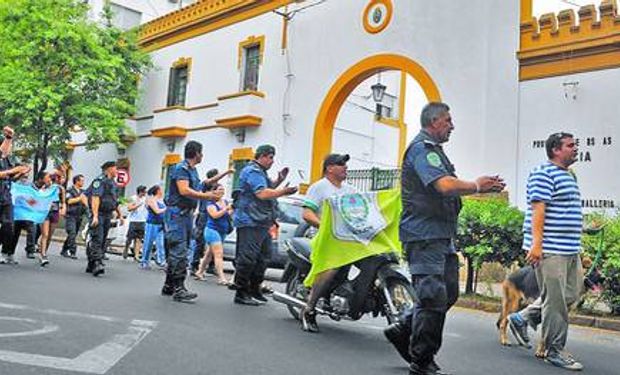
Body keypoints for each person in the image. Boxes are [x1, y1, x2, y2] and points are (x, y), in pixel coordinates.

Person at [384, 102, 505, 375]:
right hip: (424, 234)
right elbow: (444, 185)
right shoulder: (422, 149)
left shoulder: (435, 152)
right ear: (434, 121)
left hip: (441, 234)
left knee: (449, 292)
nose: (452, 125)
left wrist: (482, 189)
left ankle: (404, 328)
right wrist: (475, 185)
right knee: (432, 297)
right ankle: (422, 359)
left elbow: (448, 188)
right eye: (448, 120)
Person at [508, 132, 584, 371]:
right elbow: (538, 209)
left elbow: (565, 209)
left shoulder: (569, 175)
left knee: (571, 293)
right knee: (557, 302)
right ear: (555, 150)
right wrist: (537, 245)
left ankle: (524, 317)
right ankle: (554, 349)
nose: (575, 149)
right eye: (570, 146)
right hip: (551, 249)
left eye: (575, 145)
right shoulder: (543, 173)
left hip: (570, 249)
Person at [299, 153, 357, 332]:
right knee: (331, 266)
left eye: (346, 164)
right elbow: (307, 213)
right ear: (329, 168)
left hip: (348, 239)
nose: (345, 167)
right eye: (341, 164)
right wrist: (325, 226)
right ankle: (309, 309)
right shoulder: (319, 187)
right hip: (324, 238)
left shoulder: (351, 190)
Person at [232, 144, 297, 305]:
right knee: (248, 257)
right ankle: (241, 292)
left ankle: (255, 288)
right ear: (260, 156)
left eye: (273, 157)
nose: (272, 161)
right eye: (270, 157)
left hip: (261, 221)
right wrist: (284, 191)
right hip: (250, 221)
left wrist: (279, 180)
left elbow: (267, 188)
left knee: (263, 257)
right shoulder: (252, 171)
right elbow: (261, 193)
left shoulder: (260, 172)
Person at [161, 141, 222, 302]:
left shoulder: (192, 170)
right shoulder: (181, 168)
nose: (202, 156)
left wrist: (224, 174)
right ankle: (179, 288)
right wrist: (209, 196)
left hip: (186, 215)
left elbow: (203, 184)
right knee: (179, 251)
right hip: (177, 215)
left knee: (180, 249)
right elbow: (184, 190)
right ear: (196, 153)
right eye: (201, 153)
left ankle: (169, 285)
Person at [190, 168, 234, 271]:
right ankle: (194, 265)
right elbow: (210, 181)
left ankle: (211, 266)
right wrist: (226, 172)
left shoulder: (217, 189)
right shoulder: (205, 185)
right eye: (217, 176)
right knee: (200, 241)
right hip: (204, 216)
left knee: (216, 242)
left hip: (215, 217)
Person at [86, 161, 124, 277]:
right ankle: (97, 263)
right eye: (115, 168)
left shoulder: (113, 183)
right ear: (109, 169)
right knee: (97, 237)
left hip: (108, 214)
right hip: (99, 214)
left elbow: (114, 200)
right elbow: (95, 198)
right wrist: (95, 215)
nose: (117, 171)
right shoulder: (99, 181)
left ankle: (91, 263)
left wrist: (120, 214)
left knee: (102, 240)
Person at [0, 126, 31, 262]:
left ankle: (4, 250)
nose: (9, 147)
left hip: (6, 196)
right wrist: (12, 171)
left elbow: (10, 178)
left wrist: (20, 173)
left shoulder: (7, 161)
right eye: (7, 142)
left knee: (9, 226)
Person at [194, 183, 233, 285]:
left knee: (209, 254)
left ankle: (199, 272)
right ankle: (221, 278)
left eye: (223, 189)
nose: (222, 191)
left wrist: (231, 210)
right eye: (219, 189)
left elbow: (227, 215)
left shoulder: (225, 202)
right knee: (219, 254)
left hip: (222, 231)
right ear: (214, 191)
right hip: (212, 230)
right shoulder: (210, 204)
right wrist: (226, 209)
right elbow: (215, 215)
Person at [139, 185, 167, 269]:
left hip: (161, 224)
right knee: (148, 243)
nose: (162, 191)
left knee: (161, 244)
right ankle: (144, 261)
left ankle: (162, 261)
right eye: (161, 190)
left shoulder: (162, 201)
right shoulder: (151, 200)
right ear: (158, 191)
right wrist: (167, 209)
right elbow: (157, 211)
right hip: (152, 224)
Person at [61, 174, 88, 259]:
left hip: (79, 216)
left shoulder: (83, 191)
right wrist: (80, 198)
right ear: (77, 181)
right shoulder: (70, 190)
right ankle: (72, 251)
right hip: (71, 215)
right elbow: (69, 201)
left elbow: (86, 203)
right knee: (72, 233)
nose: (83, 182)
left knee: (73, 234)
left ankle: (64, 249)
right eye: (82, 180)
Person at [32, 171, 54, 266]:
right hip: (39, 213)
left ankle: (43, 255)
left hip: (47, 213)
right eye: (47, 177)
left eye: (50, 178)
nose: (49, 179)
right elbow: (31, 201)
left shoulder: (50, 188)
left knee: (45, 234)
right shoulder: (34, 188)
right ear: (41, 179)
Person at [123, 185, 148, 261]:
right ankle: (126, 248)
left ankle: (136, 255)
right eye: (145, 191)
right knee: (129, 238)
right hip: (133, 221)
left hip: (142, 221)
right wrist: (138, 205)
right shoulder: (133, 198)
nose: (146, 193)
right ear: (141, 191)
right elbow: (129, 208)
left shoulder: (146, 199)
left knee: (139, 239)